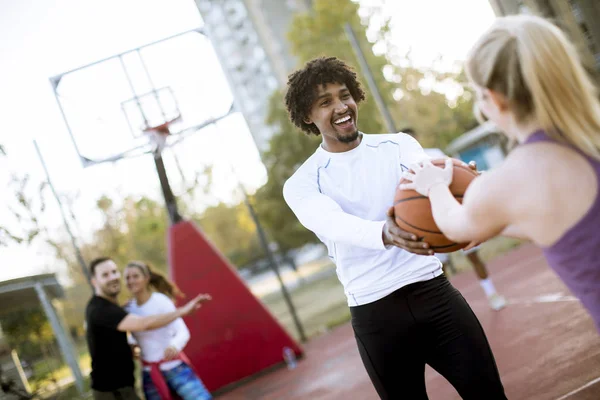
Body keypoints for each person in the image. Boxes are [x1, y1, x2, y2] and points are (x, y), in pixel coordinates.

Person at [282, 56, 506, 399]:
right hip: (375, 315)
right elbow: (332, 222)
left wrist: (463, 186)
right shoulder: (301, 183)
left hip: (433, 293)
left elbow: (429, 179)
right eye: (325, 102)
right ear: (307, 115)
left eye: (345, 95)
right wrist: (385, 233)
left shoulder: (398, 144)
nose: (341, 107)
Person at [400, 15, 600, 332]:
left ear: (493, 98)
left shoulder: (510, 182)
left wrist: (436, 186)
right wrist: (496, 216)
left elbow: (455, 227)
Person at [403, 127, 507, 310]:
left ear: (416, 138)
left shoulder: (434, 154)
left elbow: (456, 174)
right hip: (429, 222)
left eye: (412, 137)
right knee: (439, 271)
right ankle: (449, 307)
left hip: (454, 210)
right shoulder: (403, 166)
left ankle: (492, 293)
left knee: (474, 256)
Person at [85, 257, 210, 400]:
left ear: (146, 278)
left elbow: (180, 331)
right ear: (94, 281)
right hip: (128, 383)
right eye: (105, 275)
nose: (131, 280)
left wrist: (132, 346)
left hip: (172, 368)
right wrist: (183, 310)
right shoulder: (107, 309)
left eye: (114, 272)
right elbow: (142, 325)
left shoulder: (157, 301)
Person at [124, 261, 212, 400]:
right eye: (127, 278)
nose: (131, 281)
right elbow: (132, 334)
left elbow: (183, 331)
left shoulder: (161, 301)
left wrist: (174, 345)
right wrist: (132, 343)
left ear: (146, 278)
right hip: (150, 374)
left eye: (135, 276)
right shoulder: (128, 309)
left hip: (175, 368)